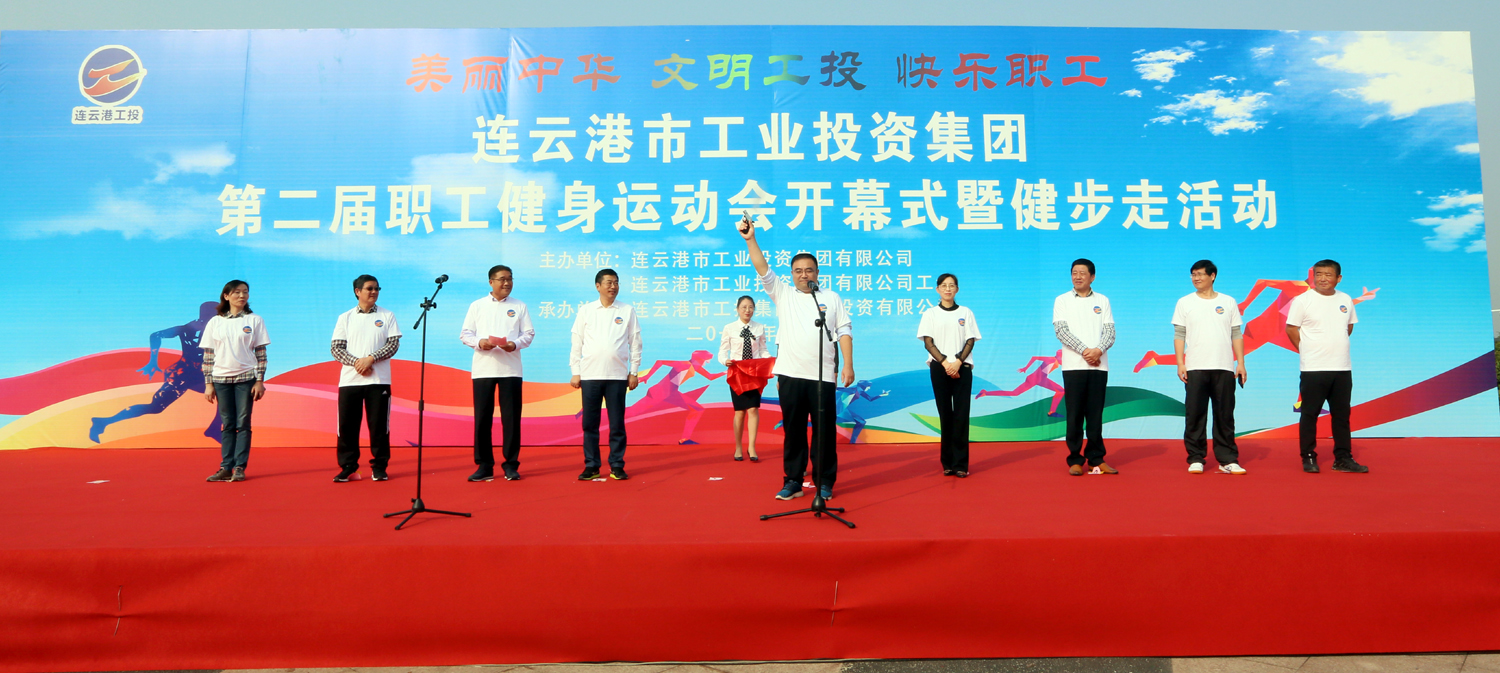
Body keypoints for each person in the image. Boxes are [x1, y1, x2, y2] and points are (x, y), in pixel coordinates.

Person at [738, 214, 854, 501]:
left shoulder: (831, 298)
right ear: (791, 274)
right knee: (794, 431)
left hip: (822, 376)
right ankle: (793, 481)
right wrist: (751, 239)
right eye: (798, 271)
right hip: (790, 374)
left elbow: (844, 331)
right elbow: (763, 268)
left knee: (824, 433)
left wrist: (848, 365)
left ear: (817, 272)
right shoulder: (784, 294)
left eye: (809, 270)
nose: (804, 275)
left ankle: (824, 481)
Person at [89, 301, 219, 444]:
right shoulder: (189, 329)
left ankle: (214, 428)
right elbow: (156, 335)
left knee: (226, 394)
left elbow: (156, 335)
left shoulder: (203, 329)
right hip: (182, 374)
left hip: (196, 374)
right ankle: (103, 422)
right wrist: (152, 362)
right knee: (156, 407)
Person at [1286, 259, 1368, 474]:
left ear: (1338, 278)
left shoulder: (1345, 299)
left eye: (1328, 274)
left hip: (1342, 367)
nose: (1322, 278)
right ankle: (1308, 456)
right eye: (1319, 274)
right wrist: (1306, 350)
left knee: (1341, 416)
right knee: (1310, 414)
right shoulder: (1303, 300)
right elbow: (1291, 329)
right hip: (1314, 368)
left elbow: (1348, 327)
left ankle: (1343, 458)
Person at [1172, 260, 1248, 475]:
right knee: (1195, 415)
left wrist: (1240, 363)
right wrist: (1180, 363)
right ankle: (1196, 458)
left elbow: (1236, 334)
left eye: (1200, 274)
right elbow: (1179, 334)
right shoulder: (1185, 302)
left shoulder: (1228, 301)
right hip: (1195, 366)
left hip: (1224, 366)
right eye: (1193, 275)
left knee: (1225, 415)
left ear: (1212, 276)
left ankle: (1228, 459)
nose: (1196, 278)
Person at [460, 265, 535, 482]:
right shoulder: (477, 305)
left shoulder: (519, 306)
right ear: (491, 282)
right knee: (482, 419)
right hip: (483, 369)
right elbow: (465, 334)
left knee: (511, 419)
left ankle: (511, 465)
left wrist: (514, 344)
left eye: (510, 279)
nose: (507, 283)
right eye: (502, 279)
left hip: (511, 370)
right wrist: (479, 342)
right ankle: (484, 466)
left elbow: (529, 334)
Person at [569, 268, 642, 481]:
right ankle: (591, 465)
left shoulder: (627, 310)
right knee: (590, 424)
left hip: (617, 376)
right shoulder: (586, 310)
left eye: (616, 282)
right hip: (590, 375)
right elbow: (577, 342)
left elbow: (635, 343)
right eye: (609, 282)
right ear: (598, 286)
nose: (613, 286)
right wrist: (575, 372)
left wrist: (634, 372)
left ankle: (617, 465)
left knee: (617, 424)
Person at [330, 275, 401, 482]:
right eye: (369, 288)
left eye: (377, 288)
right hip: (350, 380)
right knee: (347, 426)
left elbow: (393, 345)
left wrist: (371, 359)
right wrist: (357, 363)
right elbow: (336, 348)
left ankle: (379, 467)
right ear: (357, 291)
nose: (374, 292)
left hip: (378, 381)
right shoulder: (345, 317)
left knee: (379, 427)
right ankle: (348, 466)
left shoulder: (387, 315)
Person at [1053, 258, 1117, 476]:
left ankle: (1096, 458)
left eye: (1082, 273)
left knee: (1095, 414)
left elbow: (1110, 332)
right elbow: (1061, 331)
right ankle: (1075, 459)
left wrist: (1098, 351)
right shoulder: (1062, 300)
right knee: (1074, 414)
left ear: (1092, 277)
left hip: (1099, 366)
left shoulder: (1102, 300)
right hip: (1073, 366)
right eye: (1074, 273)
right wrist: (1086, 352)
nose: (1077, 276)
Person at [201, 280, 269, 482]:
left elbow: (261, 354)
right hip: (220, 379)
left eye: (245, 292)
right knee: (228, 423)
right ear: (226, 296)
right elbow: (208, 356)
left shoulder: (254, 320)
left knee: (243, 423)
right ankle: (225, 467)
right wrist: (208, 384)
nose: (242, 296)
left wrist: (259, 381)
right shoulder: (215, 322)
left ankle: (240, 467)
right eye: (237, 292)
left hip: (246, 378)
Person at [918, 273, 981, 477]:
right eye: (944, 286)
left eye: (952, 285)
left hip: (962, 367)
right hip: (939, 367)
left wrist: (957, 362)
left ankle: (961, 464)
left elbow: (970, 339)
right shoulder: (930, 313)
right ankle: (947, 462)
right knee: (945, 414)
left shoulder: (965, 312)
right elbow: (928, 342)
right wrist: (945, 363)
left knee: (961, 415)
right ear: (937, 289)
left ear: (957, 289)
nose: (948, 289)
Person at [719, 295, 770, 462]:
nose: (747, 310)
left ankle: (752, 447)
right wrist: (724, 360)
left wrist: (770, 361)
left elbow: (762, 350)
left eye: (750, 307)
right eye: (744, 307)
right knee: (740, 412)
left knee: (753, 409)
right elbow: (722, 351)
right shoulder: (729, 328)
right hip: (737, 374)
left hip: (754, 373)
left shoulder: (759, 327)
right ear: (737, 309)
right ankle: (738, 447)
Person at [637, 350, 725, 445]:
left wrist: (726, 371)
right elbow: (660, 362)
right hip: (660, 392)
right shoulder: (685, 364)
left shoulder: (695, 367)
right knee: (634, 411)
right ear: (699, 359)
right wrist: (647, 376)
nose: (707, 362)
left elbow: (710, 377)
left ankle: (685, 439)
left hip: (672, 393)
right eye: (706, 360)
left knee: (697, 409)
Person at [975, 350, 1065, 418]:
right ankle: (985, 393)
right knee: (1014, 393)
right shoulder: (1051, 359)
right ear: (1059, 357)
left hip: (1042, 380)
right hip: (1033, 379)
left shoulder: (1056, 362)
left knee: (1061, 391)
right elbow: (1034, 357)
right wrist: (1025, 368)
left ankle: (1052, 412)